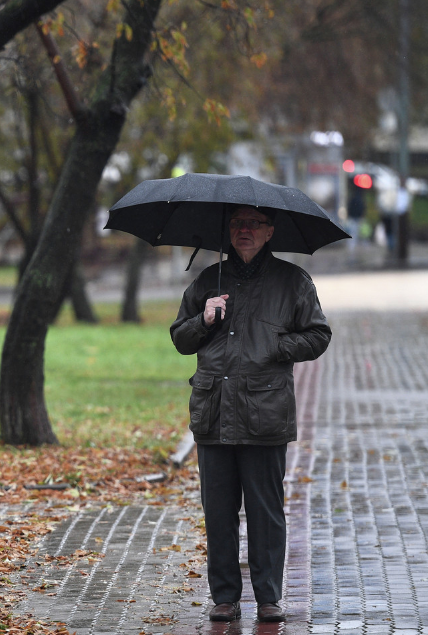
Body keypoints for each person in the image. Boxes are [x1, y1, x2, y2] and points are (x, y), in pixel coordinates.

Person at [170, 206, 332, 623]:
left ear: (269, 231)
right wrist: (204, 319)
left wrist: (276, 347)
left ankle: (268, 598)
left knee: (265, 511)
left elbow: (318, 334)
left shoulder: (292, 281)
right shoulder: (208, 280)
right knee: (218, 512)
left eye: (254, 224)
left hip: (265, 413)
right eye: (238, 223)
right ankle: (224, 596)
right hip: (214, 413)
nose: (244, 230)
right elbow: (180, 338)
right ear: (229, 229)